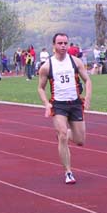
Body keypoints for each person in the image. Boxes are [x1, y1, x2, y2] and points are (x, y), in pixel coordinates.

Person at [37, 33, 92, 184]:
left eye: (65, 43)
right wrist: (46, 103)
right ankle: (68, 172)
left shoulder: (76, 62)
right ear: (54, 45)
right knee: (61, 135)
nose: (63, 46)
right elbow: (40, 88)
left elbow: (87, 80)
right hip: (58, 105)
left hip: (75, 103)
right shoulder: (47, 66)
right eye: (60, 43)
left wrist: (87, 97)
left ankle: (66, 134)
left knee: (80, 140)